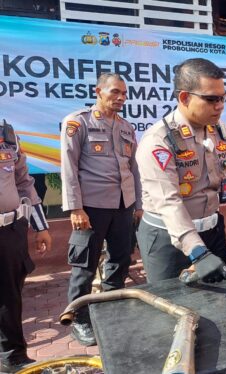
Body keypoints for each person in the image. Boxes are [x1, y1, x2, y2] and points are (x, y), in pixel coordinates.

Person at [136, 58, 226, 286]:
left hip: (212, 232)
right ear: (184, 97)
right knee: (171, 310)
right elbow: (169, 202)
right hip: (168, 241)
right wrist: (198, 253)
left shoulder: (219, 130)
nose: (219, 105)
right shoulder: (158, 141)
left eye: (222, 98)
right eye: (211, 99)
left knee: (224, 302)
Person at [60, 73, 142, 346]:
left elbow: (134, 169)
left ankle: (110, 309)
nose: (120, 98)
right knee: (84, 266)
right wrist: (75, 208)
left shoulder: (126, 127)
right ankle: (79, 319)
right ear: (98, 91)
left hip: (123, 206)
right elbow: (69, 167)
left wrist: (138, 205)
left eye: (124, 94)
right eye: (115, 92)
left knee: (120, 260)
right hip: (91, 209)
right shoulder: (78, 122)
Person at [0, 119, 51, 373]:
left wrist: (40, 226)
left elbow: (23, 182)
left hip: (10, 230)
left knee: (10, 297)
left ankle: (13, 358)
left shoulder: (6, 135)